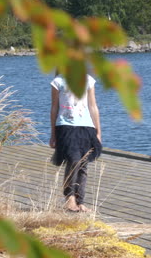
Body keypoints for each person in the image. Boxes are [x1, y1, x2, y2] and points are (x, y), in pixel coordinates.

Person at [49, 71, 102, 213]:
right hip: (65, 126)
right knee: (73, 160)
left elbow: (93, 107)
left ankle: (80, 201)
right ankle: (69, 197)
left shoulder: (88, 80)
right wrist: (53, 134)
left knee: (83, 164)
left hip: (86, 126)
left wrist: (98, 132)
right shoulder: (58, 82)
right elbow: (54, 108)